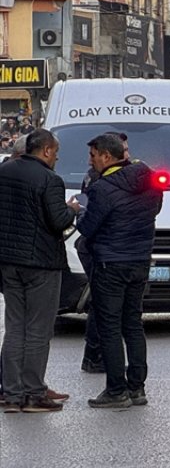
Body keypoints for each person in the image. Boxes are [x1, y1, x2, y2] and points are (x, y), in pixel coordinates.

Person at [76, 132, 164, 409]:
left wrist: (79, 212)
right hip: (139, 260)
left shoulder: (102, 189)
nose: (90, 161)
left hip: (110, 263)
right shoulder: (148, 183)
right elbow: (154, 211)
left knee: (110, 326)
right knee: (133, 323)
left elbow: (88, 228)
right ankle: (137, 387)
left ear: (106, 156)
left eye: (93, 155)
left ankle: (116, 390)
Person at [0, 130, 77, 413]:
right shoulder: (50, 179)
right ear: (45, 150)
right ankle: (33, 393)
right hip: (41, 262)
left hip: (9, 262)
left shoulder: (4, 171)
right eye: (56, 152)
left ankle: (11, 394)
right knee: (38, 330)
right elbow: (57, 221)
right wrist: (72, 210)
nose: (57, 157)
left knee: (15, 327)